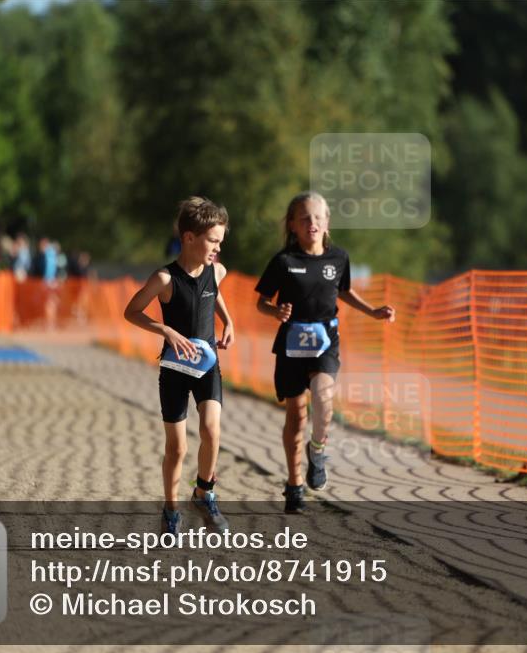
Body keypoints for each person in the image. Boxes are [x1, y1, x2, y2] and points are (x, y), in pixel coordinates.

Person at [254, 191, 395, 514]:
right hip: (291, 343)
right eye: (304, 218)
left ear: (327, 222)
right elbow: (262, 301)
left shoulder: (338, 259)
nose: (311, 223)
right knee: (296, 415)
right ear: (292, 224)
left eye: (317, 217)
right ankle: (294, 484)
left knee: (323, 397)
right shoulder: (283, 261)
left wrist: (373, 312)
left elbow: (344, 292)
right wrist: (274, 312)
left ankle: (317, 451)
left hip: (325, 340)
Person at [123, 197, 235, 535]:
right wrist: (166, 330)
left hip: (207, 366)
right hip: (174, 370)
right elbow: (132, 311)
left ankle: (204, 491)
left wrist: (228, 321)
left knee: (212, 429)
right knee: (178, 447)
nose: (218, 247)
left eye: (220, 241)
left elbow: (213, 294)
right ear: (189, 238)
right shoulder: (164, 279)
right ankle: (171, 509)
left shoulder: (217, 270)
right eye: (213, 241)